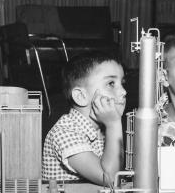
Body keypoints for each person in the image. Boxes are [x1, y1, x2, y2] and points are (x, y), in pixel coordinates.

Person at [42, 51, 127, 185]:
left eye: (122, 83)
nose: (123, 91)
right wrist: (114, 124)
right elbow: (109, 178)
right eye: (111, 83)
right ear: (81, 96)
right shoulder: (65, 132)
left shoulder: (101, 127)